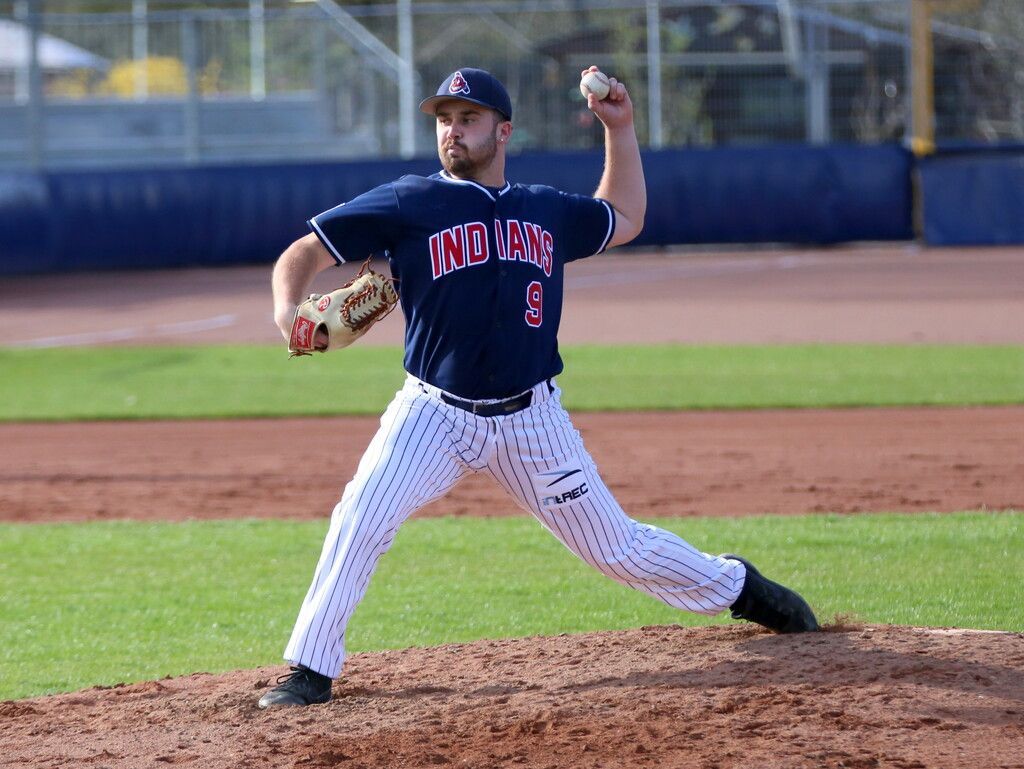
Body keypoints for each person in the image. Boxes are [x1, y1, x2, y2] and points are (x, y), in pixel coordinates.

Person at [259, 67, 818, 709]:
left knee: (618, 549)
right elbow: (304, 249)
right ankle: (311, 669)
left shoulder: (544, 210)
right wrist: (286, 310)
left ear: (503, 131)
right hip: (433, 414)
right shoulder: (408, 202)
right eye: (444, 119)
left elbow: (626, 216)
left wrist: (621, 128)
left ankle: (741, 588)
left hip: (533, 422)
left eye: (467, 119)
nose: (452, 131)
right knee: (360, 517)